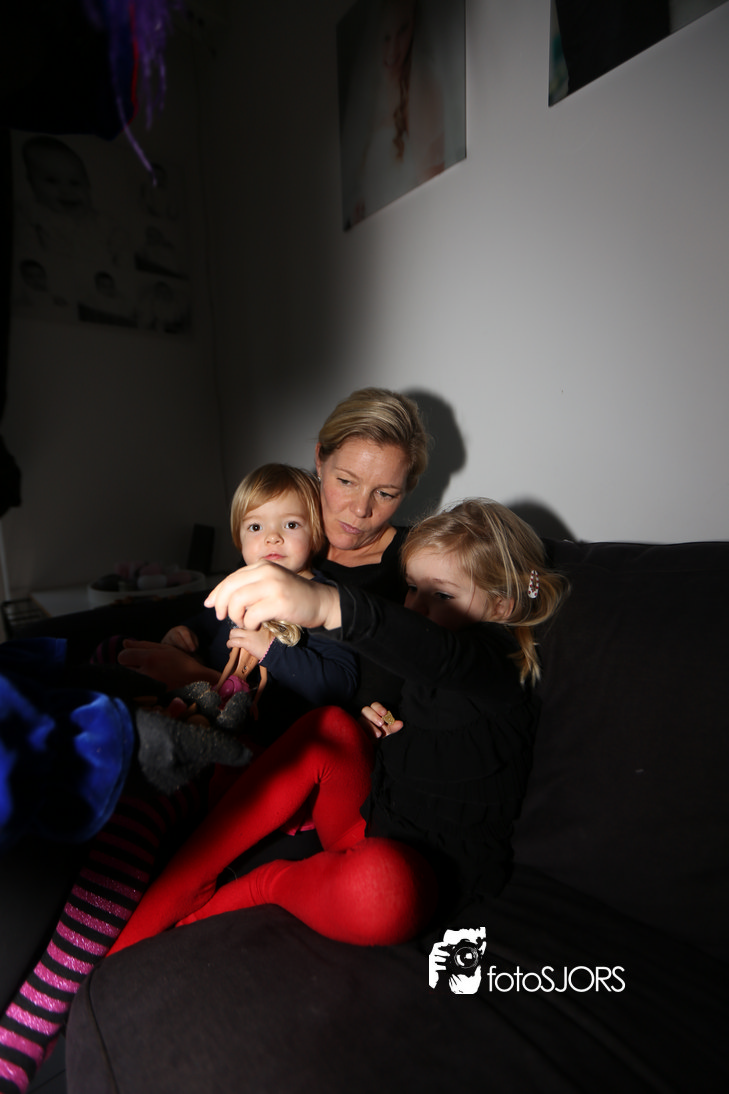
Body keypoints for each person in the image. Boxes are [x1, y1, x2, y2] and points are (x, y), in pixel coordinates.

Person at [108, 499, 568, 953]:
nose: (416, 608)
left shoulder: (499, 668)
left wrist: (328, 605)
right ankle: (155, 909)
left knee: (383, 885)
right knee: (330, 726)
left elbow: (439, 656)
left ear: (502, 605)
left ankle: (263, 887)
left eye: (442, 595)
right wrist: (379, 732)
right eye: (412, 589)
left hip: (423, 883)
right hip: (368, 828)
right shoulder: (427, 666)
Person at [117, 464, 358, 745]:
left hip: (263, 730)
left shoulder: (322, 598)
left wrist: (271, 651)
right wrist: (184, 632)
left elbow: (341, 685)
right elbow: (206, 622)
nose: (272, 537)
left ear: (316, 533)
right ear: (238, 538)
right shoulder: (238, 585)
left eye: (291, 524)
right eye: (255, 527)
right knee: (118, 652)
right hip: (207, 704)